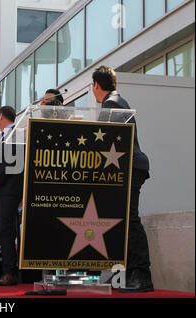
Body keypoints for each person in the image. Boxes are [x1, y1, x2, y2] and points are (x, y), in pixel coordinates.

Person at [92, 65, 153, 293]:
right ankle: (125, 274)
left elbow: (105, 143)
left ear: (96, 85)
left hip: (129, 168)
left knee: (129, 221)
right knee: (123, 221)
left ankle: (143, 276)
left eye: (92, 86)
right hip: (127, 167)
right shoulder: (117, 101)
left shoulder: (111, 104)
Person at [0, 106, 24, 286]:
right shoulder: (1, 138)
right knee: (3, 231)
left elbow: (11, 163)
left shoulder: (17, 133)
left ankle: (10, 272)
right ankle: (5, 273)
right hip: (0, 190)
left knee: (8, 231)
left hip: (10, 189)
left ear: (0, 116)